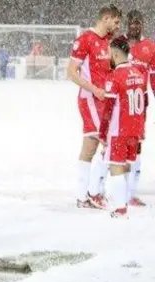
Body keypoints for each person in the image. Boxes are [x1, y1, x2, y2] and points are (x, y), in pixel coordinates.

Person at [67, 4, 122, 209]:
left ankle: (84, 196)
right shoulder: (85, 39)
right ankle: (93, 192)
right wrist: (94, 89)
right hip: (90, 99)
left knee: (91, 147)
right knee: (107, 144)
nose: (118, 26)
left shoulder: (110, 41)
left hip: (105, 100)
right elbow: (71, 72)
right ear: (106, 18)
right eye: (116, 21)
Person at [103, 10, 155, 206]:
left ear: (143, 24)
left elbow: (154, 79)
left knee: (136, 146)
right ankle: (104, 190)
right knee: (109, 143)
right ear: (127, 24)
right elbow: (108, 71)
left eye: (138, 23)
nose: (134, 26)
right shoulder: (118, 43)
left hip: (139, 104)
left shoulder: (150, 47)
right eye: (131, 23)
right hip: (117, 101)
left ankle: (129, 193)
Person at [99, 37, 148, 218]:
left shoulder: (115, 76)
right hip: (135, 130)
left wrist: (102, 134)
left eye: (110, 53)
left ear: (116, 53)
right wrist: (141, 131)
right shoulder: (139, 74)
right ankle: (124, 201)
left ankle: (121, 208)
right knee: (126, 166)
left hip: (119, 130)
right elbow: (144, 104)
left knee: (116, 168)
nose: (108, 57)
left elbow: (108, 109)